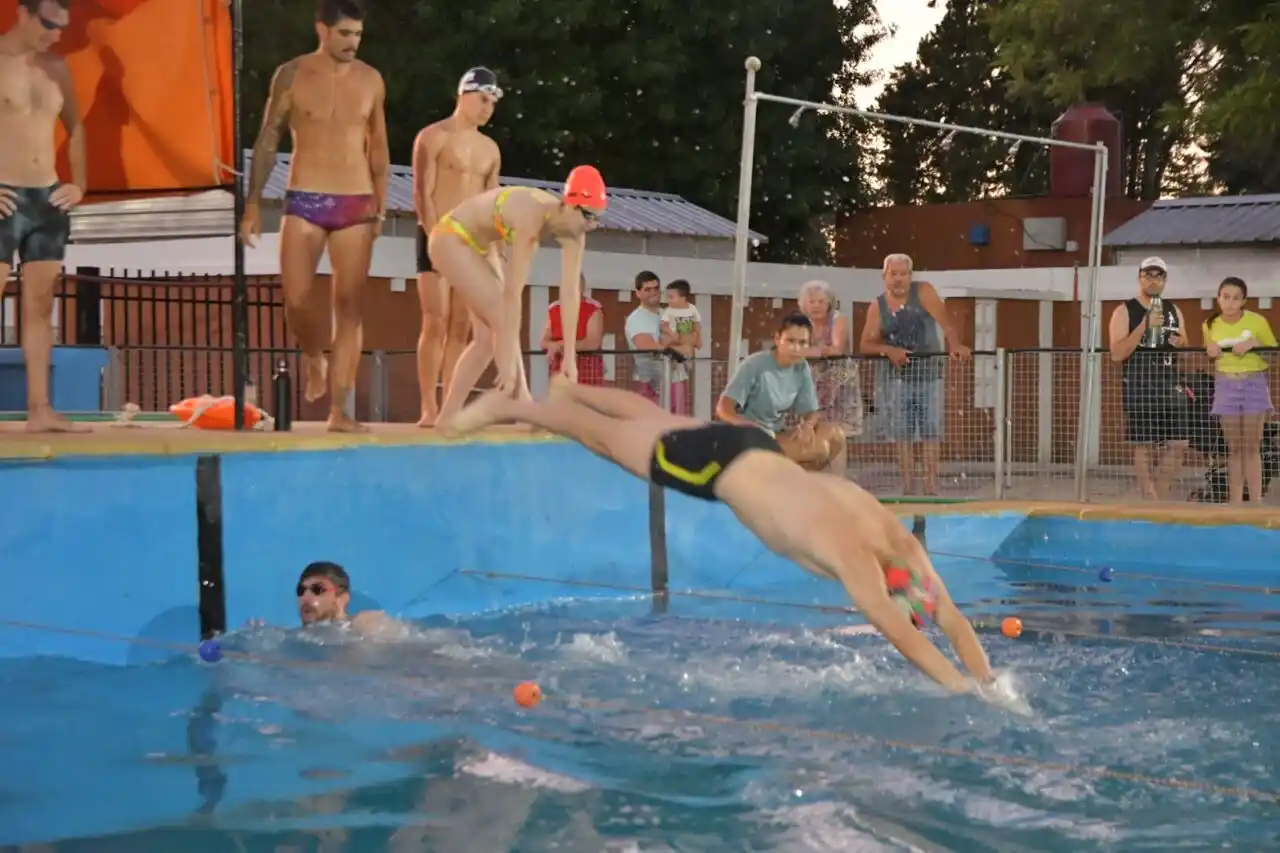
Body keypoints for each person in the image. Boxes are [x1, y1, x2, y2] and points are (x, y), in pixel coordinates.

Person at [446, 376, 998, 696]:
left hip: (753, 446)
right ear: (897, 588)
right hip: (716, 472)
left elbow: (946, 617)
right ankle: (512, 406)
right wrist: (964, 691)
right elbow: (908, 636)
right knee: (611, 442)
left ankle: (573, 388)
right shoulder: (858, 561)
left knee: (657, 418)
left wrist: (989, 680)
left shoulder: (894, 536)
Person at [239, 0, 390, 433]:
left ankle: (341, 411)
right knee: (298, 300)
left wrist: (378, 205)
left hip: (356, 202)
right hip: (305, 198)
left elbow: (378, 146)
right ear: (321, 29)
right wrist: (253, 203)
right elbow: (268, 140)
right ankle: (312, 355)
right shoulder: (292, 73)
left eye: (358, 35)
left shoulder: (370, 80)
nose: (353, 43)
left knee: (350, 310)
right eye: (345, 34)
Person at [429, 165, 607, 427]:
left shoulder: (575, 232)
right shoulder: (530, 218)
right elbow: (513, 293)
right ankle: (522, 406)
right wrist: (509, 373)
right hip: (451, 237)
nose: (590, 226)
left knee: (487, 341)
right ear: (571, 204)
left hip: (483, 246)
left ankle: (447, 417)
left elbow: (570, 293)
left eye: (597, 219)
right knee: (501, 318)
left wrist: (570, 356)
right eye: (589, 216)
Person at [0, 0, 89, 433]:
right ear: (22, 12)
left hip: (48, 198)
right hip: (5, 196)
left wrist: (80, 184)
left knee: (40, 306)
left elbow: (76, 127)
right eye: (49, 25)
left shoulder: (57, 67)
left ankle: (40, 410)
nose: (56, 34)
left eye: (62, 27)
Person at [412, 67, 504, 426]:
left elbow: (491, 202)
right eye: (483, 100)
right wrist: (436, 237)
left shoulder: (490, 149)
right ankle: (428, 408)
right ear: (463, 95)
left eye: (492, 103)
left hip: (472, 243)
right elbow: (422, 193)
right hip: (437, 234)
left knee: (462, 326)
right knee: (435, 320)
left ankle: (450, 402)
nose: (487, 109)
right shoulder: (432, 137)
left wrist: (493, 246)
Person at [860, 253, 970, 495]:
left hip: (929, 374)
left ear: (910, 276)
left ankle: (930, 482)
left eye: (903, 274)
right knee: (902, 432)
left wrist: (956, 345)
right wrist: (888, 350)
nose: (898, 279)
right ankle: (908, 484)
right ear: (884, 276)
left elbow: (946, 320)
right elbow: (866, 345)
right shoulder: (877, 306)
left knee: (931, 428)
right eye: (893, 274)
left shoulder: (923, 292)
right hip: (896, 378)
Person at [716, 313, 847, 473]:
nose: (796, 348)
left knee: (835, 434)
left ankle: (813, 485)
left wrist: (808, 425)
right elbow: (723, 408)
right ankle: (788, 483)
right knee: (820, 449)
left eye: (802, 342)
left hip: (778, 433)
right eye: (790, 341)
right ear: (778, 339)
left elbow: (812, 411)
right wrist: (748, 426)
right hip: (751, 438)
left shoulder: (801, 367)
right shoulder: (755, 364)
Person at [1107, 256, 1189, 500]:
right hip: (1140, 384)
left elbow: (1185, 343)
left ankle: (1160, 496)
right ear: (1139, 278)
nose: (1153, 281)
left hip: (1169, 384)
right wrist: (1143, 326)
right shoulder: (1124, 310)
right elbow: (1116, 353)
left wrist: (1180, 342)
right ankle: (1148, 498)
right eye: (1148, 275)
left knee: (1179, 443)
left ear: (1165, 280)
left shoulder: (1174, 310)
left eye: (1158, 276)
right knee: (1144, 444)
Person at [1202, 276, 1276, 504]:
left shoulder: (1258, 321)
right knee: (1234, 447)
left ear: (1244, 300)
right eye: (1226, 297)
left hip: (1253, 384)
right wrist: (1210, 352)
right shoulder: (1210, 325)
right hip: (1225, 385)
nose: (1230, 303)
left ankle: (1256, 501)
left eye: (1236, 298)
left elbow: (1273, 354)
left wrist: (1255, 344)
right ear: (1218, 298)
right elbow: (1210, 359)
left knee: (1252, 446)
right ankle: (1234, 501)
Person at [797, 279, 863, 439]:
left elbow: (836, 350)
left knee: (839, 433)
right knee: (813, 430)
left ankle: (838, 464)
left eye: (821, 301)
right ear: (804, 305)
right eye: (812, 301)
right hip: (814, 384)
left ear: (829, 303)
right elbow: (792, 350)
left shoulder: (838, 319)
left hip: (840, 383)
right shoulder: (801, 324)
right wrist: (814, 351)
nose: (816, 305)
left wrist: (807, 351)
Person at [294, 560, 396, 633]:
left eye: (317, 590)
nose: (305, 597)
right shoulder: (295, 638)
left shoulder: (363, 625)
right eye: (301, 590)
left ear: (342, 599)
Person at [540, 273, 606, 385]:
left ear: (582, 287)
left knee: (586, 400)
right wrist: (554, 346)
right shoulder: (553, 309)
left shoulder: (593, 308)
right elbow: (544, 341)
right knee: (562, 400)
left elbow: (592, 344)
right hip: (559, 365)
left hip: (587, 366)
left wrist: (560, 345)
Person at [659, 279, 699, 414]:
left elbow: (689, 346)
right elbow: (664, 339)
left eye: (671, 297)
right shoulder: (666, 314)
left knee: (677, 417)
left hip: (677, 376)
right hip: (662, 378)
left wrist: (675, 340)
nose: (668, 300)